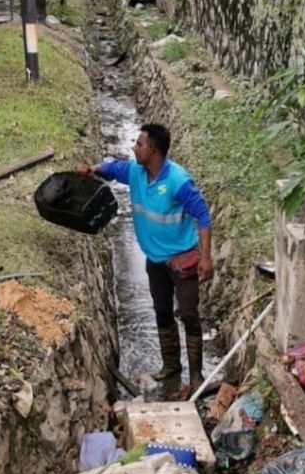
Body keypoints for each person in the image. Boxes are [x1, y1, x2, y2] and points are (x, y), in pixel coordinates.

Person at [78, 123, 213, 387]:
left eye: (139, 144)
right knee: (162, 310)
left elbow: (203, 216)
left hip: (182, 259)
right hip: (155, 259)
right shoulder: (136, 172)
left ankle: (196, 375)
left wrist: (206, 258)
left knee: (188, 314)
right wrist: (92, 169)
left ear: (153, 150)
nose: (134, 147)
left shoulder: (178, 181)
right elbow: (112, 169)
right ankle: (171, 367)